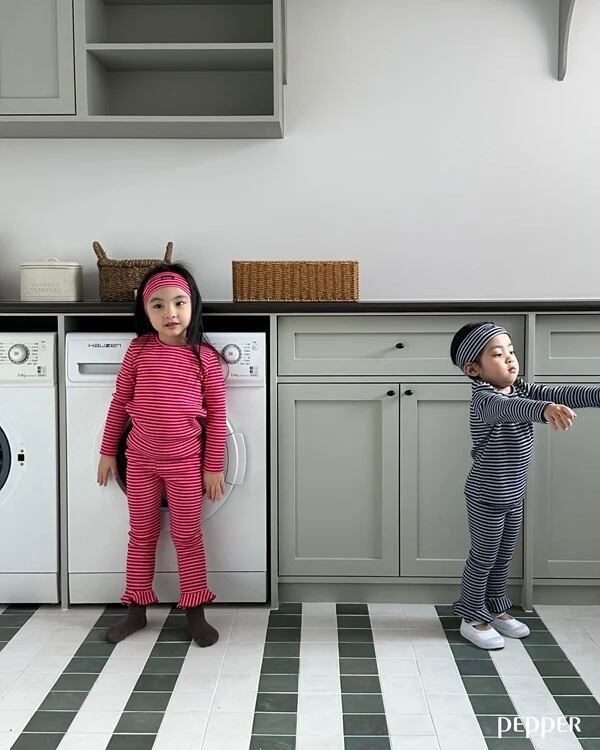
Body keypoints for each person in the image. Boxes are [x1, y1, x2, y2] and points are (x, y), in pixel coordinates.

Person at [97, 263, 227, 646]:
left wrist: (212, 467)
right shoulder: (138, 351)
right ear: (146, 311)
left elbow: (217, 418)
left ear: (192, 305)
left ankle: (195, 612)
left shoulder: (205, 358)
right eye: (158, 305)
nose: (170, 312)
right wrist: (108, 452)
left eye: (178, 303)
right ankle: (136, 611)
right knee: (141, 534)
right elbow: (119, 404)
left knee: (188, 536)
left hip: (185, 463)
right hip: (139, 462)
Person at [450, 321, 600, 649]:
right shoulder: (485, 400)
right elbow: (511, 409)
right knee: (484, 556)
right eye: (497, 354)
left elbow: (562, 393)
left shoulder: (522, 389)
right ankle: (472, 616)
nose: (510, 359)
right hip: (487, 495)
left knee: (503, 556)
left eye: (511, 351)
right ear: (474, 369)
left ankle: (494, 608)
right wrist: (544, 410)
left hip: (513, 493)